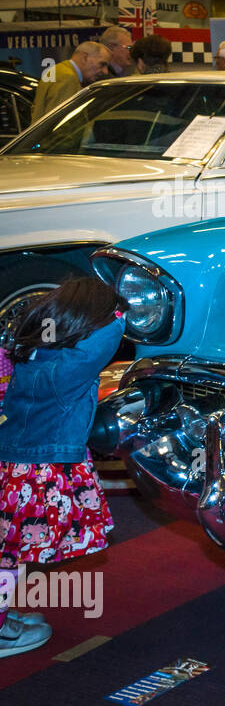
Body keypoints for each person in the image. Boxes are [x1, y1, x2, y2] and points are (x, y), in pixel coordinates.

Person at [0, 278, 125, 656]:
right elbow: (102, 344)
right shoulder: (69, 369)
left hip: (12, 466)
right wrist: (121, 311)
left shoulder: (32, 357)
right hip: (37, 475)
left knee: (8, 553)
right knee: (9, 563)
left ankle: (4, 620)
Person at [31, 41, 111, 120]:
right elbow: (61, 124)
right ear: (85, 57)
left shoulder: (57, 70)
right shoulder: (68, 78)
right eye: (102, 64)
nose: (105, 71)